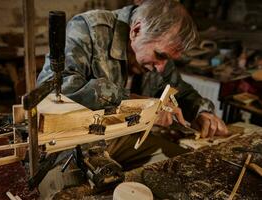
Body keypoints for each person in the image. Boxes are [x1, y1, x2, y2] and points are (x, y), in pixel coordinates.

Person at [38, 0, 229, 169]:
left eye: (168, 60)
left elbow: (181, 91)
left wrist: (202, 112)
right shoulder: (88, 28)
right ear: (136, 30)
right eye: (160, 56)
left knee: (180, 165)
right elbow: (54, 88)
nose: (162, 68)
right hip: (73, 141)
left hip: (124, 137)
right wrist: (136, 103)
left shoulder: (158, 53)